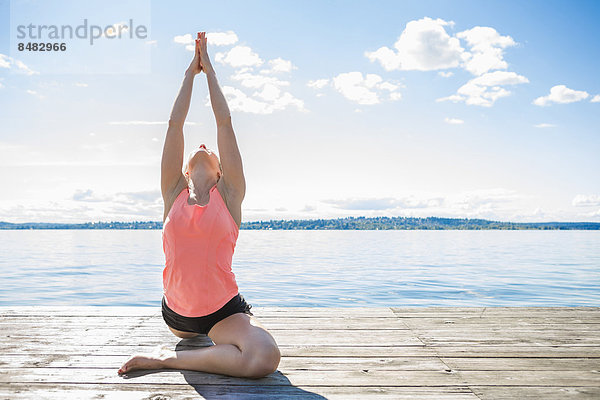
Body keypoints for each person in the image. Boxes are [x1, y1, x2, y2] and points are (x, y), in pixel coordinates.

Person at [118, 32, 281, 379]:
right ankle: (206, 351)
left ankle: (168, 360)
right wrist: (189, 74)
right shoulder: (173, 191)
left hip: (223, 313)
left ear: (221, 171)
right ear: (186, 169)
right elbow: (175, 124)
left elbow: (224, 123)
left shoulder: (230, 196)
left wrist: (211, 73)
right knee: (249, 352)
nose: (205, 143)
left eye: (212, 148)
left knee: (265, 356)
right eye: (197, 148)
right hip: (177, 317)